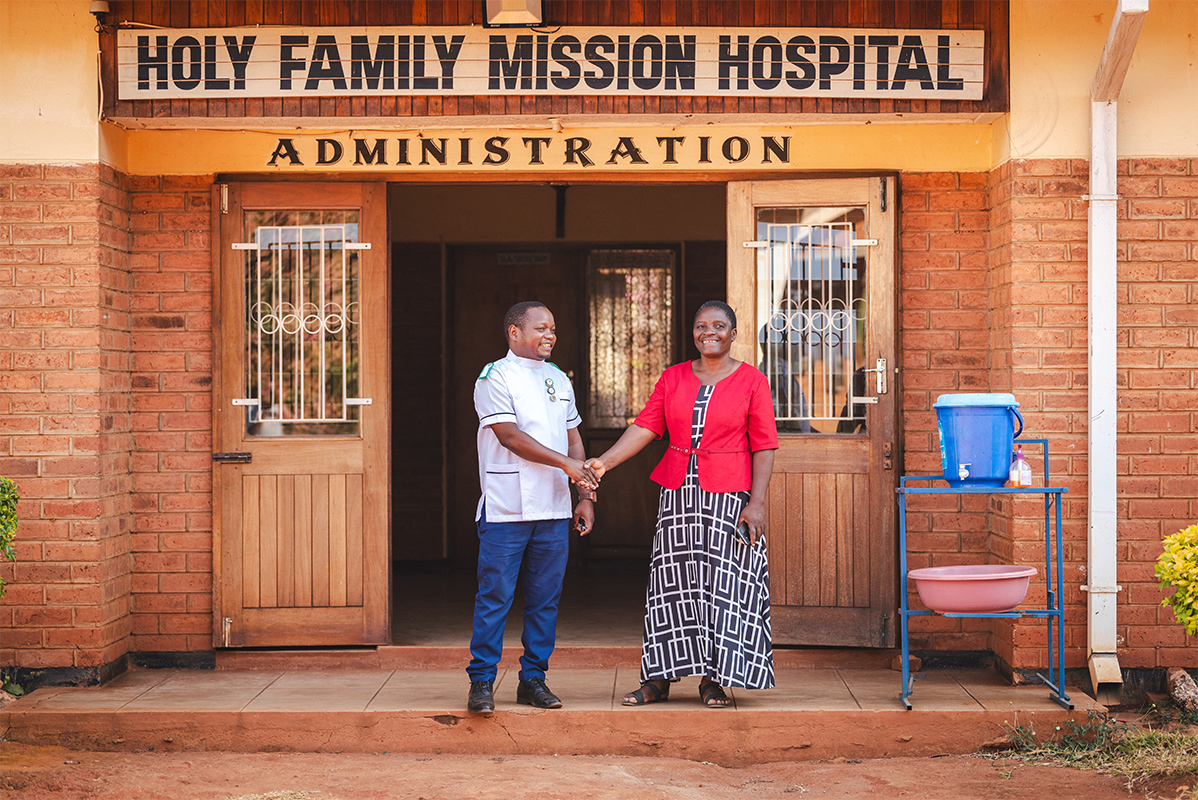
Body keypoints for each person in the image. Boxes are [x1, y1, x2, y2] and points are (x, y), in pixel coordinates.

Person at [587, 300, 778, 708]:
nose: (709, 332)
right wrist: (604, 463)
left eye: (719, 325)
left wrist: (756, 503)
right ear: (693, 332)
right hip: (678, 495)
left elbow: (764, 446)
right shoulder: (673, 378)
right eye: (701, 325)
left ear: (733, 333)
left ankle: (713, 679)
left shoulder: (752, 381)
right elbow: (644, 428)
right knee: (669, 586)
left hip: (730, 499)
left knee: (722, 588)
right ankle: (657, 679)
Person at [466, 301, 598, 716]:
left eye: (553, 329)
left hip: (556, 509)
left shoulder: (559, 379)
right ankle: (482, 681)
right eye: (541, 328)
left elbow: (573, 439)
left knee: (545, 600)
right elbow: (509, 437)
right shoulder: (494, 377)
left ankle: (533, 679)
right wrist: (567, 465)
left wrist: (585, 496)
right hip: (508, 509)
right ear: (514, 332)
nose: (550, 336)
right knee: (495, 597)